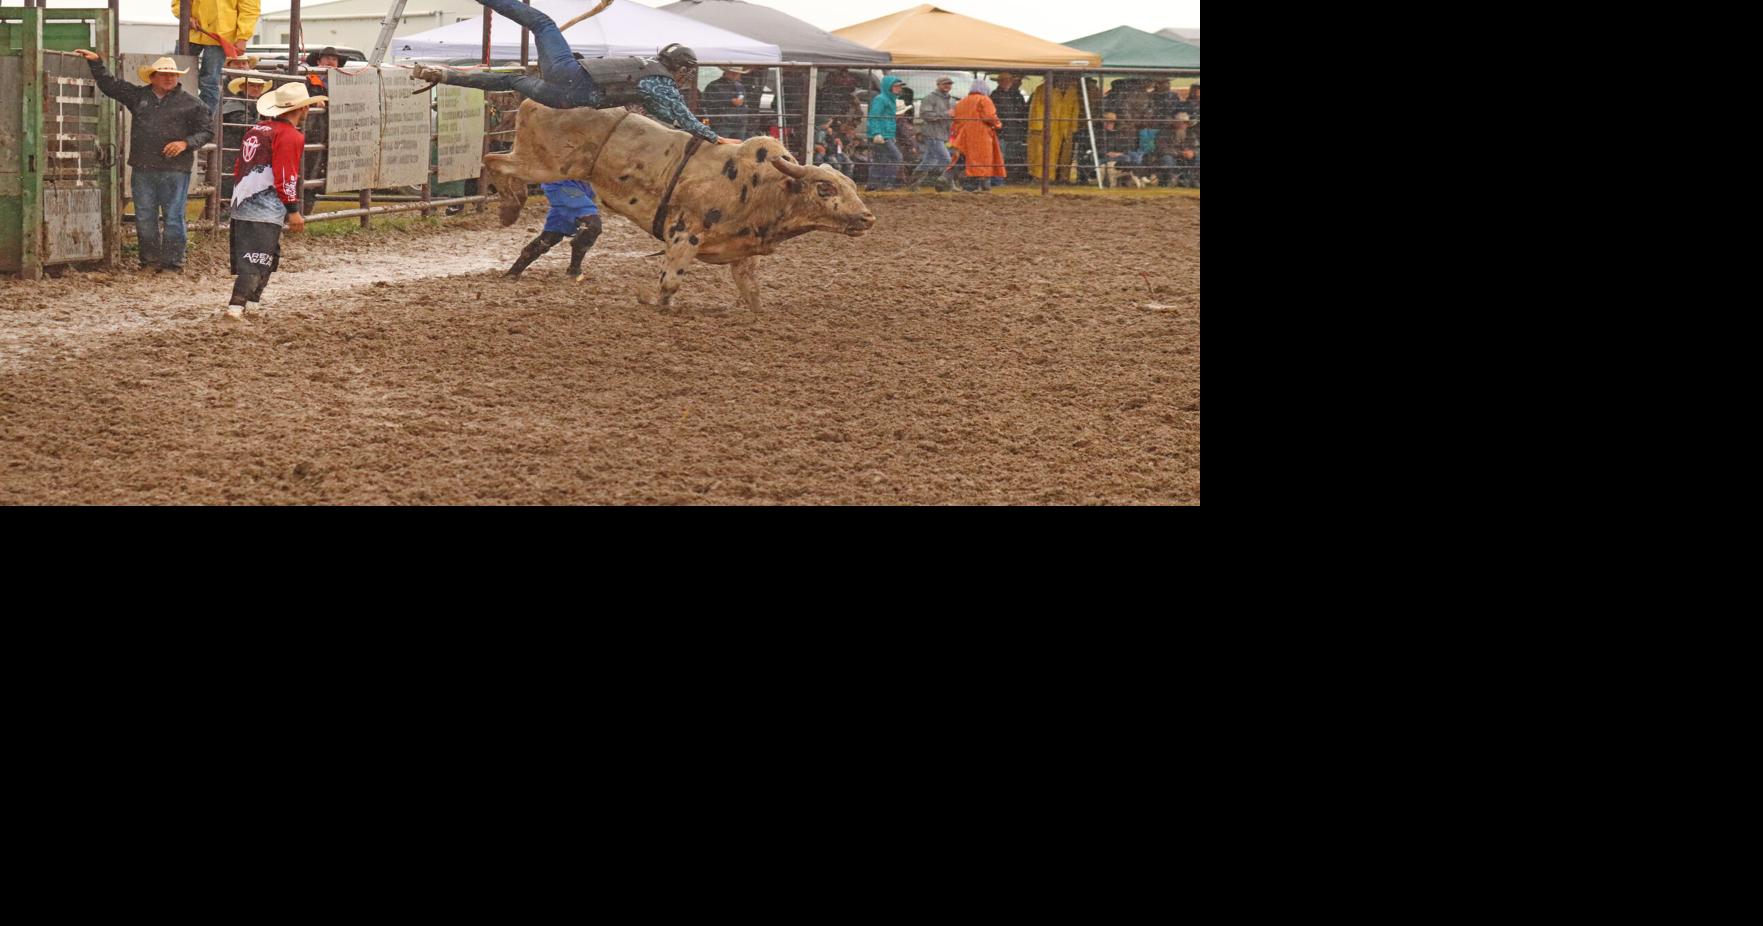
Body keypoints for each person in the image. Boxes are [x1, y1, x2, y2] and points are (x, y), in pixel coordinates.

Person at [410, 0, 737, 146]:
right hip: (567, 99)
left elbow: (681, 117)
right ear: (679, 68)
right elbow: (680, 117)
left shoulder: (652, 77)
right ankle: (445, 77)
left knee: (542, 24)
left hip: (570, 75)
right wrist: (713, 136)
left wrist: (708, 134)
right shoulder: (658, 87)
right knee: (511, 79)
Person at [75, 50, 212, 273]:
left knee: (172, 216)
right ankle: (150, 261)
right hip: (145, 166)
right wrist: (97, 63)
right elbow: (110, 85)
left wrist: (185, 143)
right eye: (164, 74)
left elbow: (206, 132)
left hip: (174, 168)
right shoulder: (139, 96)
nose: (169, 78)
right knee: (146, 215)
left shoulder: (192, 104)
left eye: (173, 75)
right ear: (152, 77)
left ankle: (172, 263)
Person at [225, 81, 322, 319]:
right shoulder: (291, 136)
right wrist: (293, 210)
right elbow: (286, 175)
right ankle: (236, 307)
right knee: (259, 258)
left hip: (243, 203)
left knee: (262, 256)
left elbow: (240, 166)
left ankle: (252, 304)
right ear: (303, 109)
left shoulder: (257, 130)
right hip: (266, 208)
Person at [171, 0, 259, 115]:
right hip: (202, 32)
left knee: (206, 81)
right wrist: (186, 17)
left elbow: (249, 9)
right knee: (176, 76)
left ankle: (201, 121)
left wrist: (243, 37)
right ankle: (188, 119)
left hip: (212, 35)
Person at [506, 181, 603, 280]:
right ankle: (574, 271)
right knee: (592, 225)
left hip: (582, 186)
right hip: (563, 184)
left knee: (552, 235)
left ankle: (514, 272)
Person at [948, 78, 1004, 192]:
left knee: (969, 160)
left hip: (964, 136)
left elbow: (956, 119)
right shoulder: (984, 99)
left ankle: (968, 186)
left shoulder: (962, 101)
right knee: (984, 160)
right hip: (981, 135)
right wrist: (998, 124)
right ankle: (984, 186)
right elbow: (990, 116)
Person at [905, 76, 956, 192]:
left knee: (929, 161)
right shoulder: (929, 98)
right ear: (938, 85)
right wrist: (946, 114)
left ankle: (913, 184)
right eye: (945, 84)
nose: (947, 86)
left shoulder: (952, 100)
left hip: (943, 135)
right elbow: (925, 115)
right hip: (932, 134)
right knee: (947, 160)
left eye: (949, 84)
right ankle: (947, 186)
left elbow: (952, 116)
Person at [864, 75, 906, 191]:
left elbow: (887, 118)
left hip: (888, 135)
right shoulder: (881, 99)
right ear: (889, 87)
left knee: (880, 159)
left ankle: (873, 184)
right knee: (896, 157)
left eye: (899, 86)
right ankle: (887, 183)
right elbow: (874, 116)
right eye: (896, 86)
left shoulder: (891, 99)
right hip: (882, 135)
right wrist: (877, 133)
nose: (899, 88)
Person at [990, 72, 1029, 182]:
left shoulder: (1017, 95)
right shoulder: (995, 95)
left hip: (1014, 131)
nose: (1008, 83)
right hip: (1001, 130)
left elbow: (1022, 111)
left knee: (1013, 154)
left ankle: (1011, 176)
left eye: (1009, 80)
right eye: (1005, 80)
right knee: (1001, 154)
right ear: (1000, 82)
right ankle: (1000, 177)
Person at [701, 66, 751, 141]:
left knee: (738, 148)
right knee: (720, 148)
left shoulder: (740, 86)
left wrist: (744, 118)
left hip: (739, 124)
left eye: (737, 73)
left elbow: (745, 105)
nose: (735, 75)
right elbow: (708, 104)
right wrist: (729, 102)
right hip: (721, 125)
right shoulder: (714, 86)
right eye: (733, 73)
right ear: (726, 72)